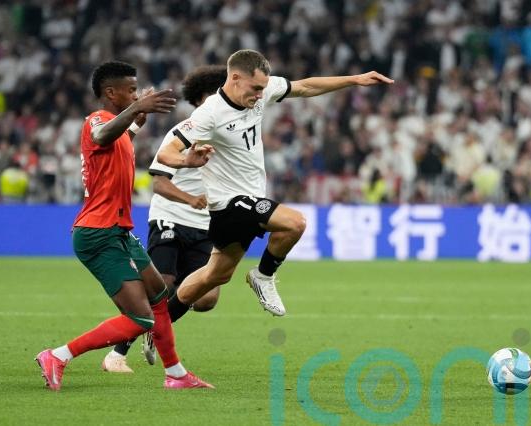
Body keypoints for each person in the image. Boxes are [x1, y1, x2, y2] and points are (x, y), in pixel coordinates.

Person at [157, 49, 393, 321]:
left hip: (250, 198)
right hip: (229, 203)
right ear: (235, 78)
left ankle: (157, 326)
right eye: (256, 88)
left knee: (214, 276)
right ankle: (263, 276)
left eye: (263, 88)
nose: (260, 95)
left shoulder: (261, 91)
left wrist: (354, 79)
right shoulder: (209, 113)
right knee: (295, 223)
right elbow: (165, 153)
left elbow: (305, 87)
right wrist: (187, 161)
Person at [35, 60, 213, 390]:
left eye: (136, 90)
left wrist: (137, 125)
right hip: (98, 234)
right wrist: (136, 110)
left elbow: (115, 142)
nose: (135, 94)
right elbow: (102, 134)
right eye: (130, 90)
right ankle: (58, 355)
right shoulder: (96, 120)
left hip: (119, 231)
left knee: (160, 296)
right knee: (141, 317)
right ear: (110, 92)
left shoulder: (118, 131)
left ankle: (176, 375)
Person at [102, 65, 227, 373]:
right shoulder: (183, 132)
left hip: (205, 225)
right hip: (171, 217)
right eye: (218, 95)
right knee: (163, 286)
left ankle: (154, 330)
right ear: (202, 99)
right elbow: (158, 183)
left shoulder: (231, 134)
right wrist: (190, 199)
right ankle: (117, 353)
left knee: (206, 298)